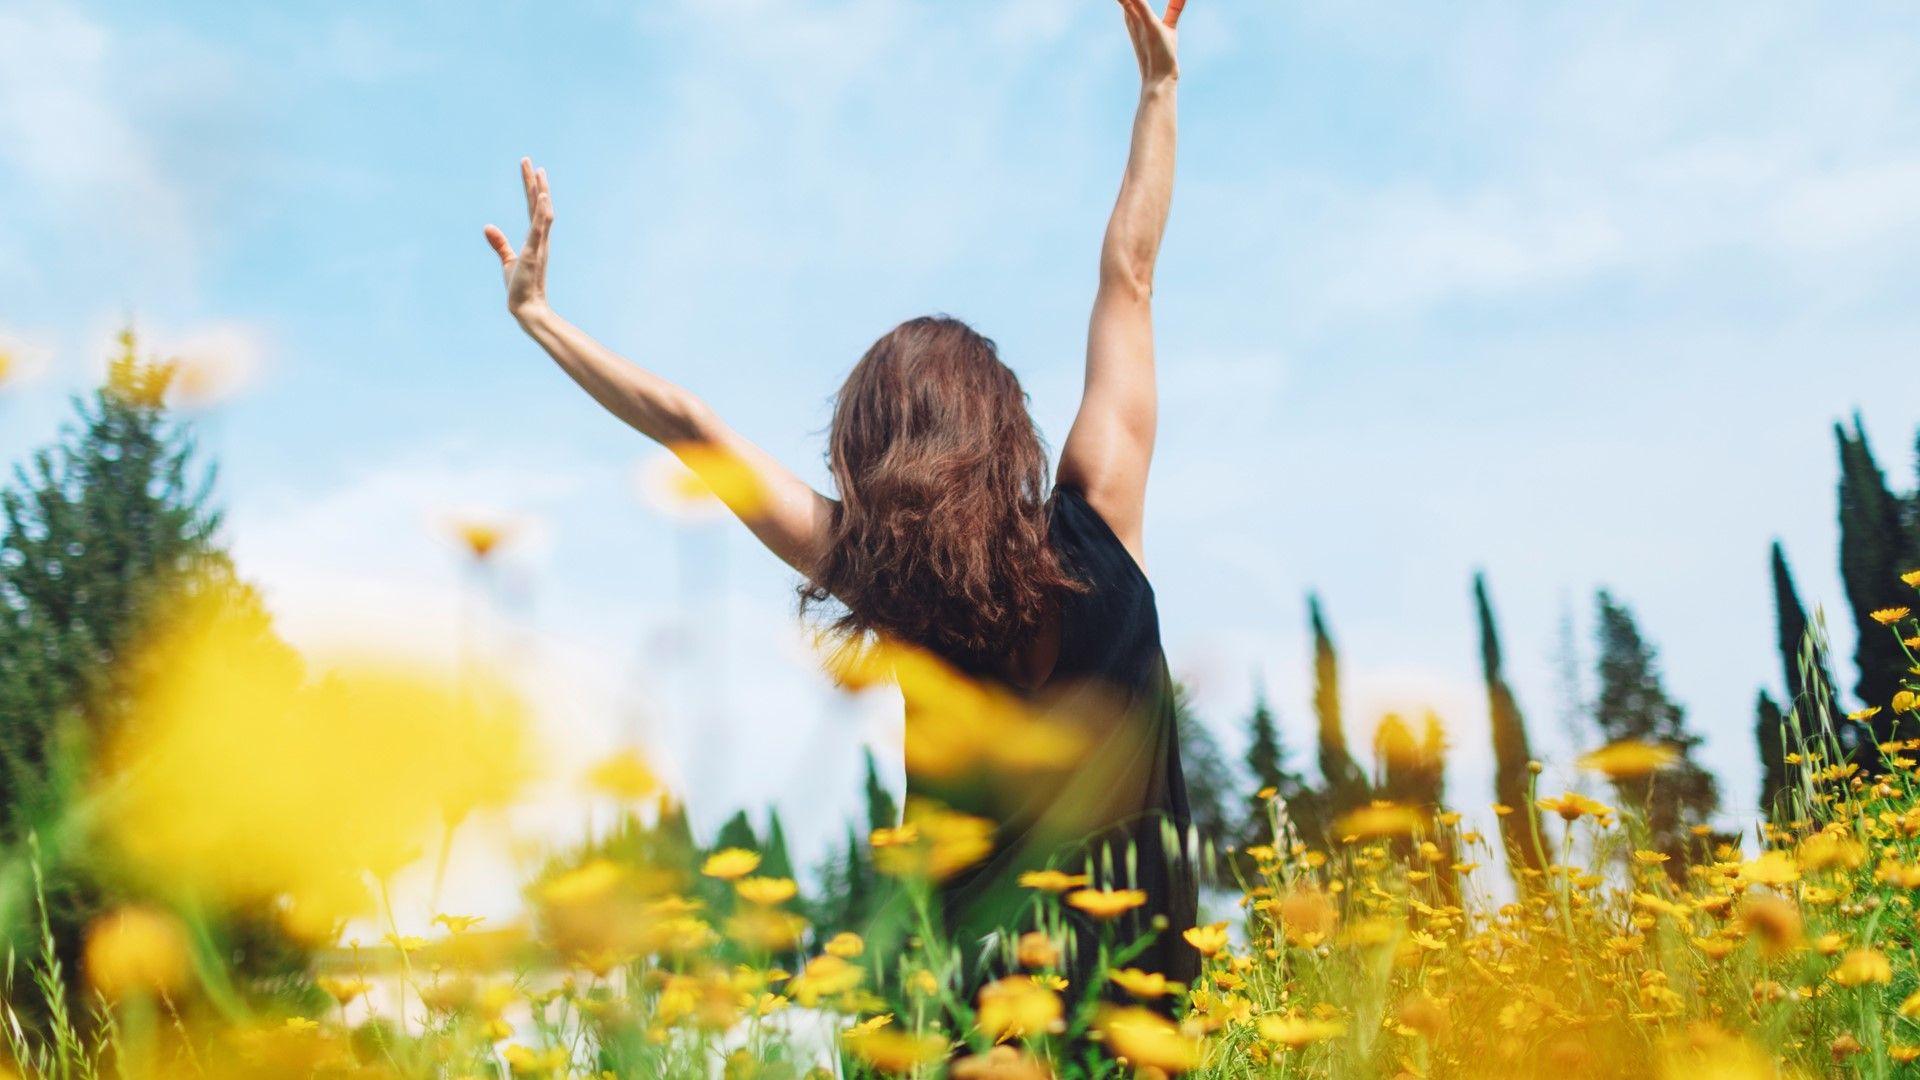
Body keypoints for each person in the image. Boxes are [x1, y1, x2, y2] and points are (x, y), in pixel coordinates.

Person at [483, 0, 1193, 985]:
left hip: (965, 1025)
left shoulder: (888, 579)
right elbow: (1131, 275)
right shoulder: (1102, 520)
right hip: (1143, 1011)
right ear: (1004, 430)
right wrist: (1158, 93)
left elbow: (688, 425)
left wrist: (541, 318)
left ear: (870, 455)